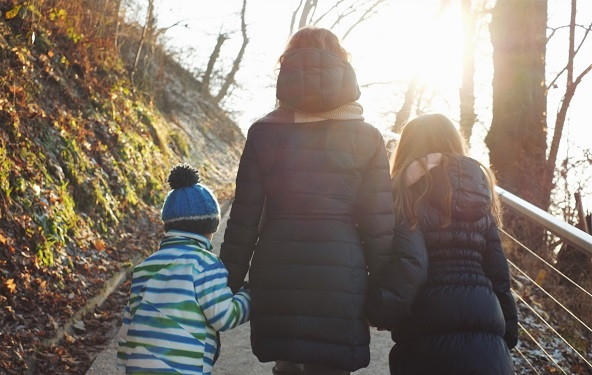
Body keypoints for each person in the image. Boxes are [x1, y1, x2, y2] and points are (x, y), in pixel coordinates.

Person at [219, 26, 398, 374]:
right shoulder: (367, 137)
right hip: (340, 273)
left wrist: (225, 285)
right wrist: (383, 294)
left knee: (287, 364)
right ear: (342, 69)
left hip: (277, 269)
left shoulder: (263, 133)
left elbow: (244, 220)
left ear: (287, 70)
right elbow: (379, 224)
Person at [385, 113, 518, 374]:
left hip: (426, 331)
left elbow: (407, 266)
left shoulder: (405, 196)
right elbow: (499, 275)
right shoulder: (480, 199)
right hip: (486, 329)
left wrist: (380, 311)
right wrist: (508, 331)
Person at [116, 164, 251, 375]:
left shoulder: (144, 267)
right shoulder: (205, 264)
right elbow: (223, 316)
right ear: (210, 229)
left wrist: (125, 363)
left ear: (168, 227)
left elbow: (129, 322)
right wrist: (248, 296)